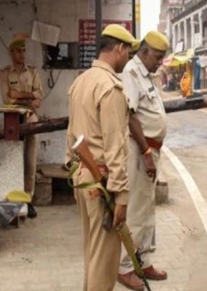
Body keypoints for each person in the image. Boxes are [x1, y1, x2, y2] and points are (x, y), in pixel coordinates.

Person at [67, 24, 137, 291]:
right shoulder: (111, 88)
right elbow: (115, 147)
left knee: (92, 252)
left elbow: (70, 136)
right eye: (128, 53)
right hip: (102, 181)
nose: (127, 59)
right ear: (119, 48)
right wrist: (121, 195)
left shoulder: (79, 83)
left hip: (83, 177)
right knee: (105, 261)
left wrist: (73, 169)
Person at [117, 31, 169, 290]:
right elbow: (131, 116)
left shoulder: (147, 74)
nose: (160, 62)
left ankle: (144, 260)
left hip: (151, 149)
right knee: (136, 209)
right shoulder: (131, 72)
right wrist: (147, 153)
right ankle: (125, 267)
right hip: (140, 150)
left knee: (147, 207)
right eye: (158, 57)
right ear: (144, 52)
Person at [0, 37, 44, 218]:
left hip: (30, 116)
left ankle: (28, 199)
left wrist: (19, 95)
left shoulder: (32, 72)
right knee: (13, 157)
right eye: (19, 51)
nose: (22, 54)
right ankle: (13, 198)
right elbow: (6, 99)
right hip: (13, 118)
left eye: (24, 50)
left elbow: (38, 98)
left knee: (31, 160)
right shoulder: (5, 73)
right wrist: (27, 97)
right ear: (12, 53)